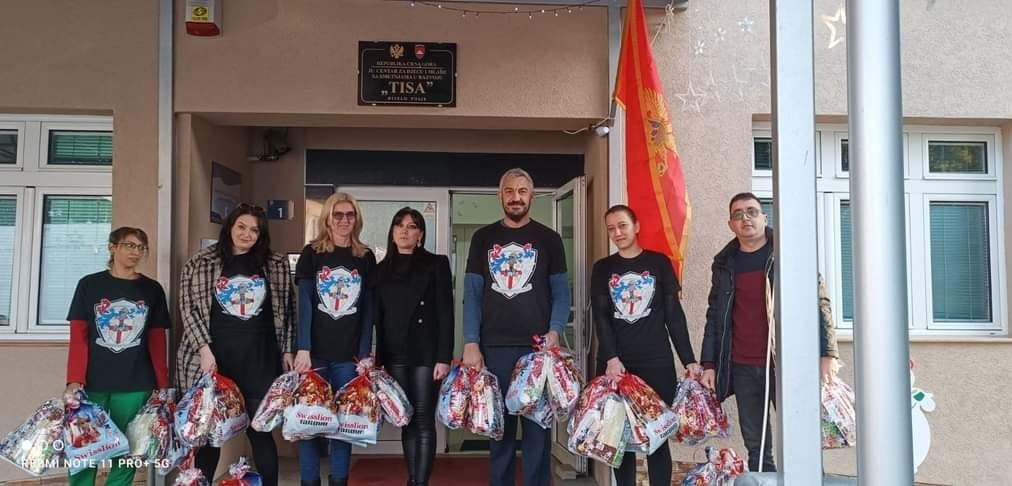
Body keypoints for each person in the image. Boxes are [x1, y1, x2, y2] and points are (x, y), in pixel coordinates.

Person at [699, 192, 839, 472]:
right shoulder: (725, 263)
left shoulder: (788, 253)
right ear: (731, 224)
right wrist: (709, 363)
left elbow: (818, 302)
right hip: (742, 366)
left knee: (800, 436)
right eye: (738, 214)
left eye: (751, 211)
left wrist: (828, 353)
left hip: (786, 363)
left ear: (764, 217)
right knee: (757, 444)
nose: (745, 218)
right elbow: (715, 315)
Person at [461, 168, 571, 486]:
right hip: (494, 348)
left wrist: (555, 330)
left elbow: (561, 293)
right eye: (509, 191)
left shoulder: (549, 239)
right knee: (500, 433)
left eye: (522, 191)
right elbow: (472, 294)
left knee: (538, 434)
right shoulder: (483, 238)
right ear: (500, 196)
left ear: (531, 196)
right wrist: (471, 342)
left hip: (537, 351)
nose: (515, 197)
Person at [176, 204, 295, 486]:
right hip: (215, 362)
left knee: (260, 433)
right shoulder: (200, 262)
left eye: (254, 230)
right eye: (241, 226)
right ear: (230, 227)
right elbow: (187, 308)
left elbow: (288, 310)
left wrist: (288, 349)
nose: (247, 234)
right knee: (210, 436)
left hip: (260, 362)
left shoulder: (275, 263)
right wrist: (204, 349)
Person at [590, 205, 701, 486]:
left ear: (636, 226)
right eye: (611, 228)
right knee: (620, 439)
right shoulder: (603, 268)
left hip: (656, 362)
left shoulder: (659, 263)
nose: (617, 233)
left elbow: (674, 316)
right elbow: (600, 317)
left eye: (622, 226)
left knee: (657, 438)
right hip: (617, 366)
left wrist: (689, 360)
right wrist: (611, 358)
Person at [64, 227, 170, 486]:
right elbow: (78, 337)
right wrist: (74, 379)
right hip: (92, 382)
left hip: (136, 382)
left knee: (128, 449)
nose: (136, 252)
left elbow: (157, 341)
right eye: (129, 245)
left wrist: (162, 385)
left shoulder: (152, 289)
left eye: (140, 247)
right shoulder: (89, 285)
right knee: (84, 446)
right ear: (112, 247)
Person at [291, 192, 376, 486]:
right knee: (308, 425)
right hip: (314, 355)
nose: (344, 220)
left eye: (349, 215)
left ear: (357, 220)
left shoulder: (364, 256)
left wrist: (364, 354)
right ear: (327, 218)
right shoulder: (312, 253)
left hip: (348, 357)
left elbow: (368, 310)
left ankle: (339, 480)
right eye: (337, 214)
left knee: (344, 425)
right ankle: (309, 481)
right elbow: (304, 305)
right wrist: (303, 348)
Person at [374, 207, 454, 486]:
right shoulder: (380, 269)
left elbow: (446, 312)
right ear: (392, 232)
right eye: (399, 225)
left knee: (422, 418)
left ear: (420, 234)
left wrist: (444, 356)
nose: (404, 231)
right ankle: (413, 478)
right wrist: (376, 359)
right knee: (405, 419)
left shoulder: (436, 263)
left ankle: (420, 482)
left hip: (426, 352)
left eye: (411, 226)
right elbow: (377, 316)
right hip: (394, 352)